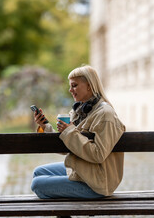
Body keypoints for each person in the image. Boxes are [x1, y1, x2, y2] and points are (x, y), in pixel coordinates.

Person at [31, 65, 125, 200]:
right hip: (84, 170)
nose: (70, 90)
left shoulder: (105, 115)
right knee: (38, 172)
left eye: (74, 85)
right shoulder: (80, 110)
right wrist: (45, 126)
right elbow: (68, 145)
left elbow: (98, 155)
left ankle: (65, 212)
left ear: (89, 86)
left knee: (37, 184)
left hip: (97, 182)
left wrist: (69, 131)